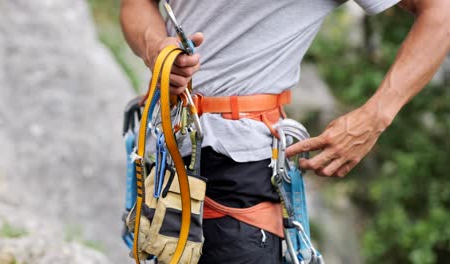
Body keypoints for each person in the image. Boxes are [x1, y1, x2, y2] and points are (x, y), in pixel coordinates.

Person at [120, 0, 450, 263]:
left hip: (239, 167)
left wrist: (375, 116)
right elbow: (136, 4)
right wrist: (155, 47)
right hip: (163, 153)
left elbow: (441, 12)